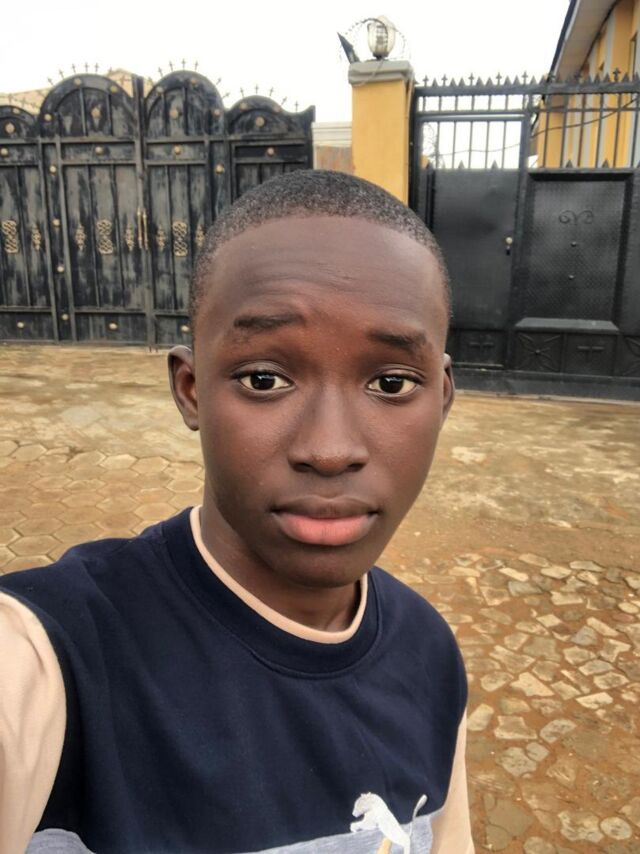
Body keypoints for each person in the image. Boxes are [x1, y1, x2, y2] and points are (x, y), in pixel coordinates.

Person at [0, 170, 473, 854]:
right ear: (192, 391)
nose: (329, 450)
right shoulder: (57, 658)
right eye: (264, 379)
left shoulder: (430, 656)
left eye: (392, 382)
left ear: (443, 398)